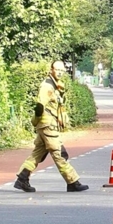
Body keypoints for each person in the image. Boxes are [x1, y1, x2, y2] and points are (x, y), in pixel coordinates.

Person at [14, 61, 89, 192]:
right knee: (59, 153)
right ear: (51, 70)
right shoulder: (47, 86)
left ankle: (22, 178)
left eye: (62, 70)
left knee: (38, 153)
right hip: (47, 125)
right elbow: (40, 106)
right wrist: (37, 121)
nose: (59, 72)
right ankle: (72, 182)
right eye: (57, 69)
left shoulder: (56, 85)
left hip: (46, 125)